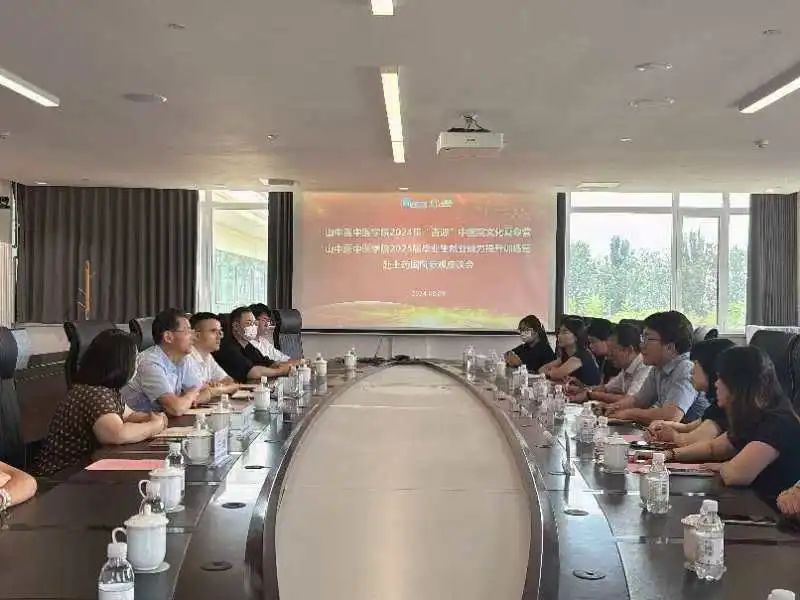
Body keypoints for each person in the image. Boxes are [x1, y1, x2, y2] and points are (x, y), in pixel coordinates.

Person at [664, 346, 800, 507]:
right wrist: (668, 455)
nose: (716, 384)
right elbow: (712, 448)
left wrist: (723, 466)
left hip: (773, 513)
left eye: (721, 378)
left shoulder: (778, 423)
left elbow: (736, 475)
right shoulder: (753, 416)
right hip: (751, 504)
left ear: (738, 384)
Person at [35, 329, 167, 476]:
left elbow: (128, 415)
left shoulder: (107, 390)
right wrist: (153, 426)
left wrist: (152, 417)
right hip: (63, 476)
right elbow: (116, 434)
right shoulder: (95, 393)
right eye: (135, 360)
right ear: (119, 364)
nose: (137, 365)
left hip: (86, 469)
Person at [606, 311, 705, 425]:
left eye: (648, 339)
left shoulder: (686, 368)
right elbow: (638, 401)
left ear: (670, 347)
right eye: (642, 338)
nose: (641, 345)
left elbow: (671, 416)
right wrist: (613, 407)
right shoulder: (658, 366)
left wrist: (628, 413)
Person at [647, 338, 734, 446]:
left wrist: (673, 436)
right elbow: (688, 427)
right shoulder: (716, 405)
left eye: (695, 364)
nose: (691, 371)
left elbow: (695, 440)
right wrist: (663, 424)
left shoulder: (724, 410)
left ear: (710, 368)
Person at [121, 308, 206, 416]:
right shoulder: (149, 362)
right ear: (168, 337)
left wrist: (189, 396)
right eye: (187, 331)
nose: (193, 336)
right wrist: (191, 394)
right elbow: (176, 408)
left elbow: (203, 390)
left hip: (162, 421)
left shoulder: (183, 358)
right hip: (134, 423)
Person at [571, 323, 650, 403]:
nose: (608, 356)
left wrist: (590, 395)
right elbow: (605, 388)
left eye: (612, 350)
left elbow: (630, 400)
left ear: (628, 350)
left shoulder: (644, 367)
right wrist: (580, 390)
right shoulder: (626, 368)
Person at [213, 306, 292, 383]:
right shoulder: (228, 347)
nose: (253, 327)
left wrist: (288, 367)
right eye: (249, 323)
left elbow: (267, 363)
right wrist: (281, 371)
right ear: (236, 326)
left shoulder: (247, 345)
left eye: (254, 323)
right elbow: (252, 372)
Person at [188, 312, 240, 397]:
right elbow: (199, 394)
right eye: (213, 331)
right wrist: (219, 388)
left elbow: (231, 382)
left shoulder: (208, 356)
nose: (220, 336)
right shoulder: (187, 358)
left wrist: (216, 387)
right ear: (196, 335)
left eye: (220, 332)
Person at [539, 317, 601, 386]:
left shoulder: (580, 356)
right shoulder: (566, 355)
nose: (559, 336)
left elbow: (556, 374)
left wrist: (554, 371)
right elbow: (541, 369)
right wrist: (554, 372)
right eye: (559, 332)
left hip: (593, 391)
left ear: (576, 336)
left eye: (565, 332)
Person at [587, 318, 619, 383]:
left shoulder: (619, 362)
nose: (590, 346)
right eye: (589, 342)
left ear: (608, 340)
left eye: (593, 341)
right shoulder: (603, 358)